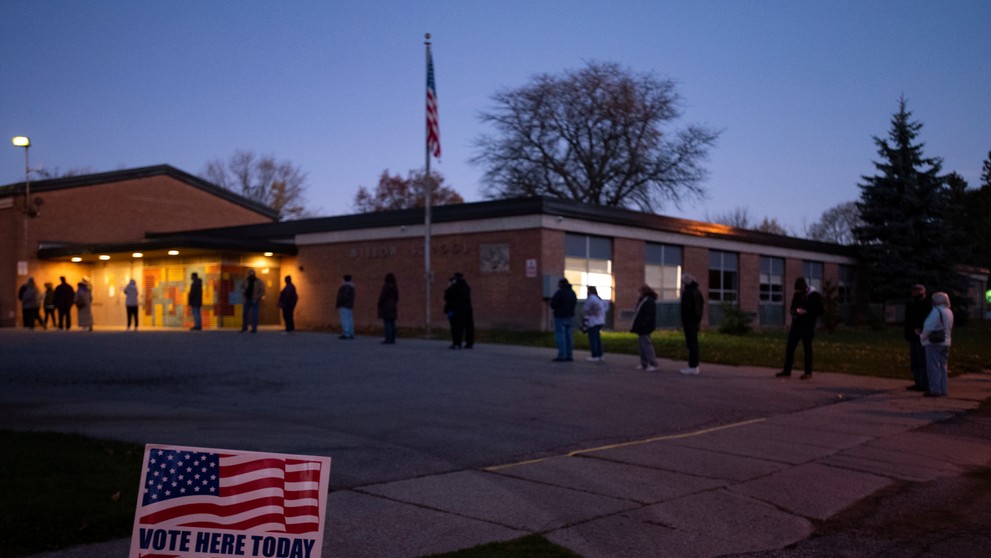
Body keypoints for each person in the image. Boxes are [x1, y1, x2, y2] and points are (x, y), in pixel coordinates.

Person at [775, 277, 823, 380]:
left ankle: (808, 372)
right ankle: (787, 370)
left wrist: (806, 311)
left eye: (800, 290)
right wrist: (795, 311)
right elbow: (792, 308)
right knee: (790, 347)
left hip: (808, 326)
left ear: (804, 287)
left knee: (807, 348)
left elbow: (820, 310)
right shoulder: (797, 295)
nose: (799, 292)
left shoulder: (814, 296)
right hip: (796, 325)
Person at [920, 291, 954, 397]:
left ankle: (935, 389)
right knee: (943, 366)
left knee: (933, 366)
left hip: (934, 342)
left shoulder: (936, 312)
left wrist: (922, 336)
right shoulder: (949, 311)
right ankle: (943, 389)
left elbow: (929, 327)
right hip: (946, 341)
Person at [904, 284, 932, 392]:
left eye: (918, 291)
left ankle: (924, 382)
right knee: (915, 360)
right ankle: (918, 381)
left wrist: (921, 328)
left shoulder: (927, 304)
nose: (915, 293)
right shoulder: (911, 304)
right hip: (912, 336)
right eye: (914, 291)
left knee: (922, 359)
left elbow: (928, 320)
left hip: (922, 335)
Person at [680, 273, 705, 375]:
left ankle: (693, 366)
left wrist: (685, 320)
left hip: (690, 321)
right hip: (695, 321)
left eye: (682, 282)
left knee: (691, 344)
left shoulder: (688, 293)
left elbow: (686, 309)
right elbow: (701, 305)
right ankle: (694, 365)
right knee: (693, 343)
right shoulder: (697, 291)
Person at [630, 284, 659, 371]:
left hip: (645, 326)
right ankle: (644, 363)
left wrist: (643, 324)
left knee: (646, 345)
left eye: (639, 292)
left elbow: (648, 315)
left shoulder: (648, 301)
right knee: (642, 345)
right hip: (641, 326)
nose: (638, 294)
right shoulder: (643, 300)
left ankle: (652, 363)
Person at [443, 272, 475, 349]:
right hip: (467, 309)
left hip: (453, 310)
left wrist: (449, 287)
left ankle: (457, 343)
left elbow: (447, 297)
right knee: (468, 326)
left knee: (455, 326)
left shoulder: (453, 288)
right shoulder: (466, 287)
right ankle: (469, 342)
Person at [550, 277, 578, 362]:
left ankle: (561, 355)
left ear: (561, 284)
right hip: (569, 316)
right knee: (568, 336)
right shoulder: (572, 293)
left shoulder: (560, 292)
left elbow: (553, 304)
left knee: (560, 336)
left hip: (560, 316)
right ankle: (569, 355)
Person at [582, 286, 608, 362]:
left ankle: (595, 355)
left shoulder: (591, 299)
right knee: (597, 339)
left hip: (593, 321)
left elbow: (585, 309)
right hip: (600, 320)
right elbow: (606, 308)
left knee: (593, 339)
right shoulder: (598, 299)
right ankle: (600, 355)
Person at [240, 269, 265, 333]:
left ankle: (254, 328)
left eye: (252, 273)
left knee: (254, 314)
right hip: (246, 299)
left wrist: (258, 296)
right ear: (248, 274)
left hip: (254, 300)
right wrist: (244, 292)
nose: (251, 275)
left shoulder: (258, 281)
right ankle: (244, 327)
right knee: (245, 313)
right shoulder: (245, 280)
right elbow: (241, 287)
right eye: (250, 273)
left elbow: (262, 290)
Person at [377, 273, 399, 344]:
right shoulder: (395, 287)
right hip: (393, 306)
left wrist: (379, 303)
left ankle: (388, 339)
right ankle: (392, 338)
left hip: (386, 306)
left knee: (387, 323)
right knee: (392, 323)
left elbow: (382, 297)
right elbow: (397, 297)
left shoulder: (386, 286)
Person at [335, 274, 356, 339]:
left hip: (344, 305)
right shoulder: (352, 287)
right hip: (349, 305)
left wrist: (339, 303)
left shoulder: (344, 287)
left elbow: (341, 297)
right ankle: (351, 333)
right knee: (350, 319)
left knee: (344, 319)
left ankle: (346, 333)